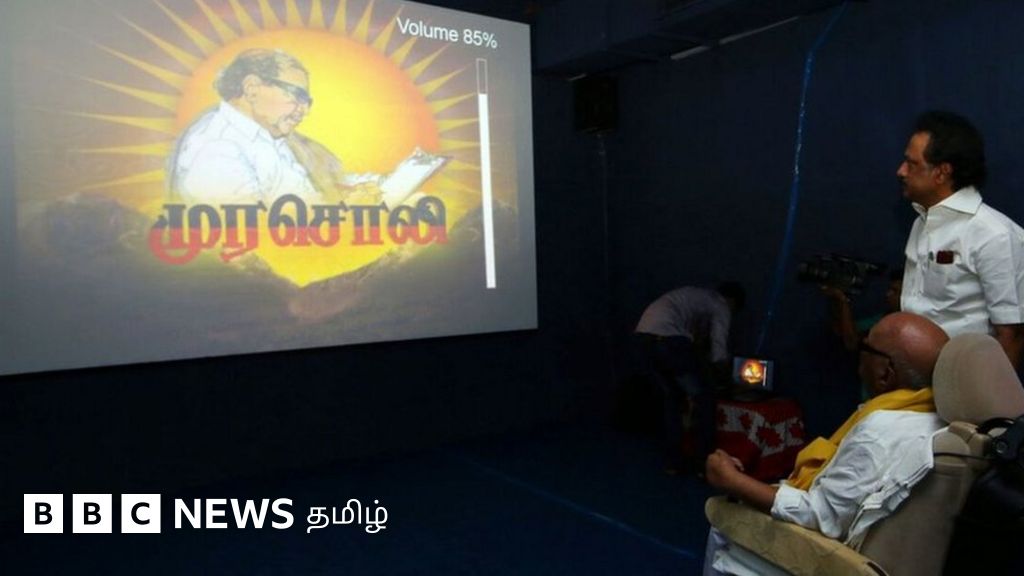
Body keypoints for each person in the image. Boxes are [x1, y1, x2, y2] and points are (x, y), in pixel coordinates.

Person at [702, 312, 949, 575]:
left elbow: (823, 516)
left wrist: (733, 481)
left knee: (722, 518)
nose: (859, 354)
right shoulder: (931, 417)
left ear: (885, 373)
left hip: (820, 556)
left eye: (866, 347)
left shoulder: (879, 432)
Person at [897, 110, 1024, 369]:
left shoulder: (994, 234)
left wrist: (988, 395)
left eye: (912, 164)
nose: (901, 171)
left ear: (942, 172)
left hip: (965, 384)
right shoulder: (921, 221)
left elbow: (1012, 335)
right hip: (916, 377)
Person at [168, 49, 378, 204]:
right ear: (251, 89)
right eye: (297, 95)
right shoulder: (216, 147)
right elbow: (254, 235)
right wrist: (347, 210)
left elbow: (318, 188)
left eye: (307, 101)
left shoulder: (268, 134)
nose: (305, 110)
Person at [633, 282, 745, 473]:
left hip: (644, 339)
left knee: (672, 400)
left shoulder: (697, 298)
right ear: (733, 302)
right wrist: (727, 378)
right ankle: (705, 463)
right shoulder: (721, 305)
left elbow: (692, 342)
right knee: (705, 398)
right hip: (669, 341)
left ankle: (674, 462)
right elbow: (718, 351)